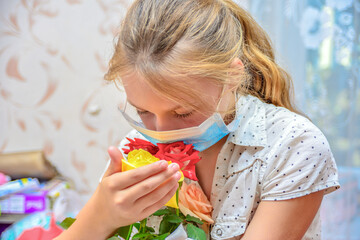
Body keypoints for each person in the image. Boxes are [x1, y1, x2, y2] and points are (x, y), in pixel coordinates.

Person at [56, 0, 340, 239]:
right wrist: (100, 216)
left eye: (183, 113)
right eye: (143, 112)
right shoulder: (137, 148)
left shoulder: (293, 145)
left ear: (232, 76)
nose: (162, 133)